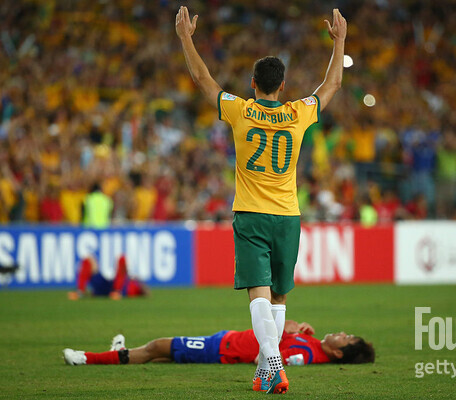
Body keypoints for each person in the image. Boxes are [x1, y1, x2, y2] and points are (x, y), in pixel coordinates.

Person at [175, 6, 347, 394]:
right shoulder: (297, 114)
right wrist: (340, 43)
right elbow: (331, 86)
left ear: (253, 83)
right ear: (282, 86)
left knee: (258, 293)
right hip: (288, 215)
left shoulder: (240, 110)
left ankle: (272, 362)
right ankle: (265, 365)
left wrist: (186, 37)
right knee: (280, 295)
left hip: (251, 213)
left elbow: (202, 78)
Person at [62, 320, 375, 384]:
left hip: (221, 349)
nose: (342, 333)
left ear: (337, 354)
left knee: (158, 346)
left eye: (345, 339)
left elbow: (269, 359)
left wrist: (282, 334)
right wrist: (295, 329)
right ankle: (117, 353)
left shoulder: (307, 356)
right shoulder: (314, 343)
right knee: (160, 356)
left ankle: (86, 358)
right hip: (225, 341)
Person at [67, 255, 149, 300]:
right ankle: (80, 292)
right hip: (110, 286)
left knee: (122, 258)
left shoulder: (132, 285)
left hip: (118, 288)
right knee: (88, 260)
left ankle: (117, 292)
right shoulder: (131, 281)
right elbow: (146, 292)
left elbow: (146, 292)